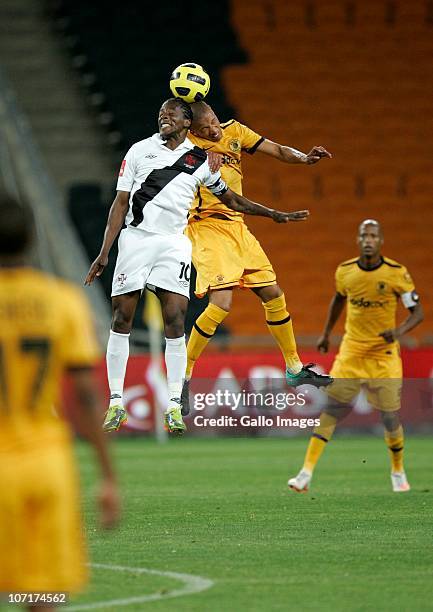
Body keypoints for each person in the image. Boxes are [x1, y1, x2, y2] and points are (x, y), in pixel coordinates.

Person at [85, 97, 310, 435]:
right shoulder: (138, 151)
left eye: (171, 113)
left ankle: (174, 403)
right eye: (161, 112)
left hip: (174, 245)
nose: (163, 116)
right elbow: (120, 202)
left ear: (186, 122)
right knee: (122, 318)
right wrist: (105, 251)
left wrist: (274, 214)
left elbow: (232, 199)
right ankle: (115, 399)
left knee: (175, 320)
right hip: (136, 240)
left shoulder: (200, 160)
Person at [0, 195, 120, 611]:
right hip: (46, 465)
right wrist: (108, 478)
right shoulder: (62, 301)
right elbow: (86, 397)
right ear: (31, 239)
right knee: (42, 593)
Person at [183, 101, 333, 411]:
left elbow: (277, 150)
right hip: (206, 225)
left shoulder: (234, 131)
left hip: (238, 225)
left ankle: (294, 368)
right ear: (192, 130)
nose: (212, 130)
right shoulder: (184, 147)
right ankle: (182, 377)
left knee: (273, 292)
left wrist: (304, 158)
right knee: (221, 303)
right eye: (204, 128)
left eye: (213, 121)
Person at [288, 219, 423, 493]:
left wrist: (399, 331)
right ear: (358, 240)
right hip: (351, 350)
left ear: (381, 240)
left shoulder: (397, 273)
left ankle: (397, 471)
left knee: (389, 417)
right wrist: (326, 333)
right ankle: (305, 473)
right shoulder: (345, 271)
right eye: (364, 235)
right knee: (332, 410)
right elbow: (338, 299)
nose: (368, 240)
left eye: (373, 235)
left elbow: (417, 313)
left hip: (383, 354)